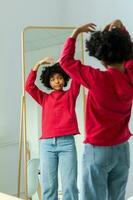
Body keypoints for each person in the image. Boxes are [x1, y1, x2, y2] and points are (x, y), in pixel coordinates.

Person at [59, 20, 133, 200]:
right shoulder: (130, 75)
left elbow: (65, 61)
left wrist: (75, 33)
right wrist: (122, 32)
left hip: (98, 149)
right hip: (122, 150)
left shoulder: (97, 78)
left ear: (101, 57)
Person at [25, 56, 80, 200]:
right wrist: (37, 64)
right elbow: (29, 86)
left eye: (60, 77)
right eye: (53, 79)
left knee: (69, 184)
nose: (57, 81)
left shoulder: (70, 95)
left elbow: (78, 78)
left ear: (64, 79)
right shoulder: (44, 98)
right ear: (48, 82)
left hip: (67, 143)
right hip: (47, 145)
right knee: (49, 185)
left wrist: (67, 64)